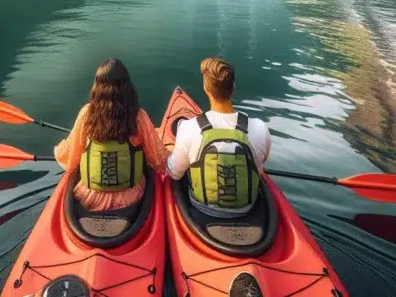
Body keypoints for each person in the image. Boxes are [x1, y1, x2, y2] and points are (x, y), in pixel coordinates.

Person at [54, 58, 168, 211]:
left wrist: (59, 147)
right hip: (130, 197)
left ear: (97, 87)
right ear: (127, 87)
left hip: (90, 198)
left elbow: (69, 158)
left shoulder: (87, 114)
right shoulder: (138, 117)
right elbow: (158, 160)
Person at [168, 57, 272, 217]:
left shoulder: (189, 127)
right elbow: (261, 162)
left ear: (205, 88)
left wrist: (170, 153)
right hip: (247, 208)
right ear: (233, 87)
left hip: (201, 207)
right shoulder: (260, 127)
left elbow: (174, 173)